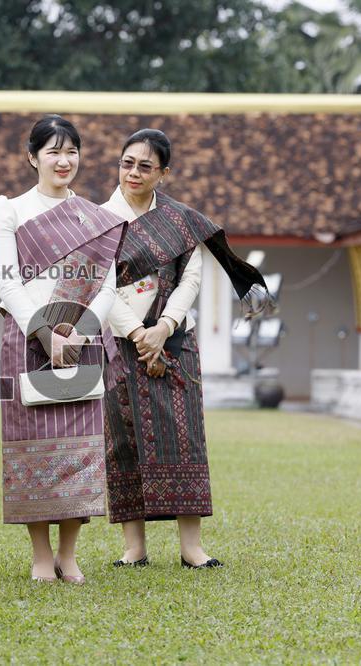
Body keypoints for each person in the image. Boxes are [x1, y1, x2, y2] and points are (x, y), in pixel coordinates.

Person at [102, 129, 271, 569]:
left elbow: (191, 277)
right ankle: (133, 547)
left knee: (185, 439)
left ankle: (191, 547)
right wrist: (139, 333)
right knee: (124, 441)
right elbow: (99, 287)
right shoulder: (98, 218)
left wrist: (163, 327)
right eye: (127, 163)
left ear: (163, 173)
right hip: (122, 343)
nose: (133, 173)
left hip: (175, 342)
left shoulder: (181, 220)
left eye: (145, 166)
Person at [0, 115, 125, 584]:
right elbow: (8, 284)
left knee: (80, 449)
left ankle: (69, 554)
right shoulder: (9, 210)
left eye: (71, 151)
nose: (63, 160)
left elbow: (108, 285)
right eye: (52, 151)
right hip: (28, 341)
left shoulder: (99, 219)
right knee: (33, 447)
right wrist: (46, 333)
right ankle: (41, 555)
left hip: (83, 342)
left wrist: (80, 332)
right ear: (32, 158)